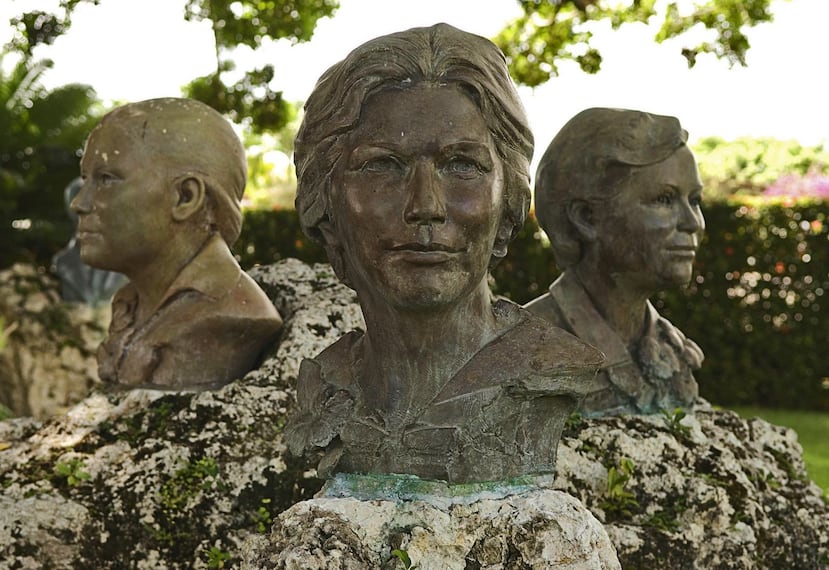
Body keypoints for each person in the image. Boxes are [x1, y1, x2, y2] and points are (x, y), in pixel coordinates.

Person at [284, 24, 603, 484]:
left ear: (509, 199)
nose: (426, 207)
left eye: (463, 166)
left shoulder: (548, 370)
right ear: (325, 203)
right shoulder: (327, 384)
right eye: (382, 165)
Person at [72, 97, 282, 390]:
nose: (79, 203)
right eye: (85, 180)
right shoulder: (128, 303)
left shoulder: (234, 317)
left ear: (185, 197)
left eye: (106, 179)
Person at [526, 107, 705, 416]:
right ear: (586, 217)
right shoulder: (526, 348)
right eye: (664, 199)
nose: (693, 222)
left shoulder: (677, 351)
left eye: (695, 201)